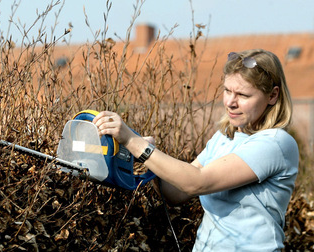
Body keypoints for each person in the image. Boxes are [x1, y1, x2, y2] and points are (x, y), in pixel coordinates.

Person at [92, 49, 299, 251]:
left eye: (243, 95)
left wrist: (133, 141)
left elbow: (196, 182)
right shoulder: (224, 137)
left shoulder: (276, 144)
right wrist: (146, 155)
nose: (230, 102)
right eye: (227, 90)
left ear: (272, 96)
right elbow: (176, 193)